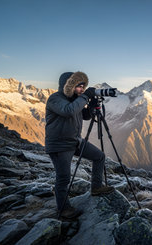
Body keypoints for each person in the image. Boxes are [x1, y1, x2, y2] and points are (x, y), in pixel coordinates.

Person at [45, 71, 114, 219]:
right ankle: (63, 208)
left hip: (75, 141)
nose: (82, 89)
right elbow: (69, 111)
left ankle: (96, 187)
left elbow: (85, 116)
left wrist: (92, 107)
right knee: (63, 178)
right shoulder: (55, 99)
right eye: (79, 86)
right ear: (68, 85)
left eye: (83, 87)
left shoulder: (75, 99)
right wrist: (85, 97)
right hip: (60, 145)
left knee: (99, 156)